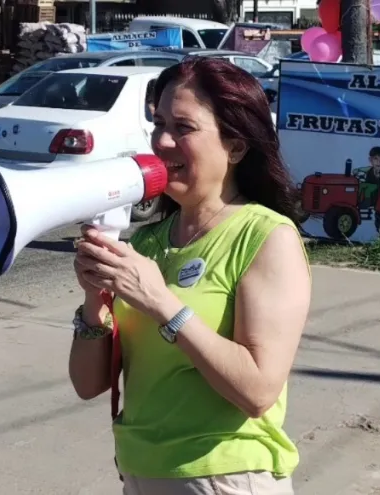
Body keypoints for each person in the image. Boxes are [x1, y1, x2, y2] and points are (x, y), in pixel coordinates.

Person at [68, 56, 312, 495]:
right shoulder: (147, 243)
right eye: (158, 122)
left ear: (236, 147)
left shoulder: (266, 237)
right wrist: (92, 299)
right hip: (142, 474)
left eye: (184, 127)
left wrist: (162, 303)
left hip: (225, 478)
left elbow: (258, 391)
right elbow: (88, 384)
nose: (161, 141)